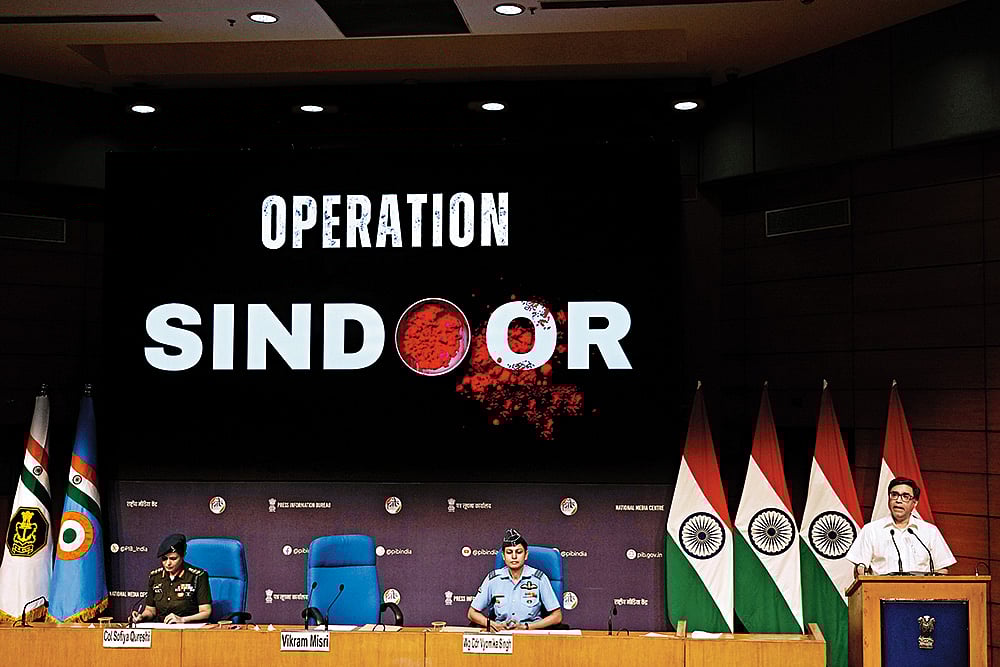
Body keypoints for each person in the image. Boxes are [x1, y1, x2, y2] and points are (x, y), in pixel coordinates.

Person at [846, 477, 956, 576]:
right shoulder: (871, 530)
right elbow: (859, 568)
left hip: (921, 595)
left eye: (905, 496)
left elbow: (942, 568)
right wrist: (861, 570)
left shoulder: (930, 531)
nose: (898, 500)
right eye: (894, 495)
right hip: (881, 595)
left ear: (915, 502)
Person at [468, 528, 562, 631]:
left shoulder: (539, 578)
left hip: (531, 635)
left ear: (526, 555)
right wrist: (491, 624)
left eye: (518, 552)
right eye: (509, 552)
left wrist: (526, 627)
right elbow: (472, 613)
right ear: (503, 556)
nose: (514, 556)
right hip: (502, 635)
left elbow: (557, 617)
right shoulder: (493, 579)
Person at [132, 534, 213, 624]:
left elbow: (206, 612)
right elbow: (150, 610)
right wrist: (142, 616)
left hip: (189, 629)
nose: (168, 563)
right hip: (162, 629)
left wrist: (182, 619)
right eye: (164, 559)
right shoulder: (155, 577)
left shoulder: (198, 576)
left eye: (173, 558)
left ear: (183, 556)